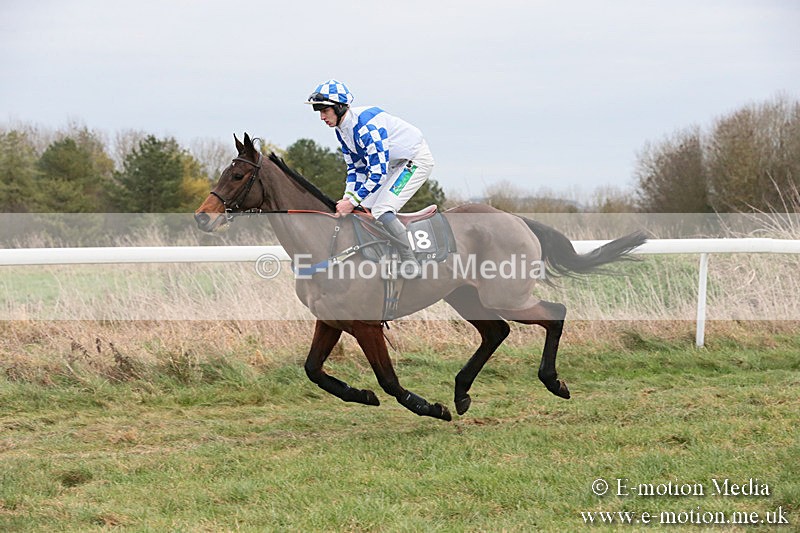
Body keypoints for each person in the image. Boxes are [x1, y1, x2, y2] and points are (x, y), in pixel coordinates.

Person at [305, 79, 434, 276]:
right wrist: (349, 198)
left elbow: (377, 174)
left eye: (325, 110)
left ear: (339, 108)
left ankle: (410, 261)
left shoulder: (366, 128)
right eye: (319, 111)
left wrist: (352, 201)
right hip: (394, 163)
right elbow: (355, 168)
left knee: (382, 209)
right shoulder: (342, 131)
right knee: (360, 207)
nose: (322, 117)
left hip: (415, 161)